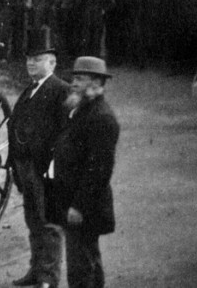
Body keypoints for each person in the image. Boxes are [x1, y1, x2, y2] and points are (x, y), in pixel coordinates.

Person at [46, 56, 120, 288]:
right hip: (76, 203)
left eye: (80, 78)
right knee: (89, 259)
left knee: (79, 268)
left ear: (96, 82)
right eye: (73, 77)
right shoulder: (82, 109)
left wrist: (78, 206)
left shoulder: (102, 118)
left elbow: (98, 172)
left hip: (85, 207)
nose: (73, 83)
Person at [9, 31, 69, 287]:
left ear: (52, 63)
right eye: (28, 60)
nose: (31, 63)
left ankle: (48, 277)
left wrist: (54, 170)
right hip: (25, 166)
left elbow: (66, 135)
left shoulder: (61, 90)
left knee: (49, 224)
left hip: (45, 169)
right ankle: (36, 270)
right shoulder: (28, 92)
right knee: (33, 221)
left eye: (37, 59)